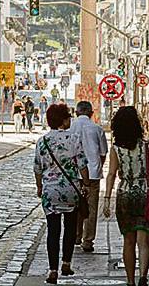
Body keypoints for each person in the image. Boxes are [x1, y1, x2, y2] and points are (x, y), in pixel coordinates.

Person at [104, 106, 149, 286]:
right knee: (143, 241)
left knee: (128, 241)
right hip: (145, 194)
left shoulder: (116, 149)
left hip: (124, 195)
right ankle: (143, 277)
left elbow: (111, 174)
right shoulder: (148, 145)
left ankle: (130, 281)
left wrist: (107, 199)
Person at [34, 104, 90, 284]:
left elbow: (37, 168)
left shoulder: (42, 141)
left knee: (53, 230)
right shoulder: (73, 139)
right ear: (64, 120)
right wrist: (86, 184)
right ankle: (66, 263)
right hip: (70, 190)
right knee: (70, 227)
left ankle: (52, 270)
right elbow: (82, 165)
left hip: (50, 191)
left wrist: (39, 187)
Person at [69, 100, 108, 252]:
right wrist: (97, 166)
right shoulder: (97, 129)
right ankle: (88, 240)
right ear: (92, 113)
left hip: (74, 174)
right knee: (91, 209)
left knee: (75, 207)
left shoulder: (70, 128)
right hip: (92, 174)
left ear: (76, 113)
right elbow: (103, 153)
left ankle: (76, 235)